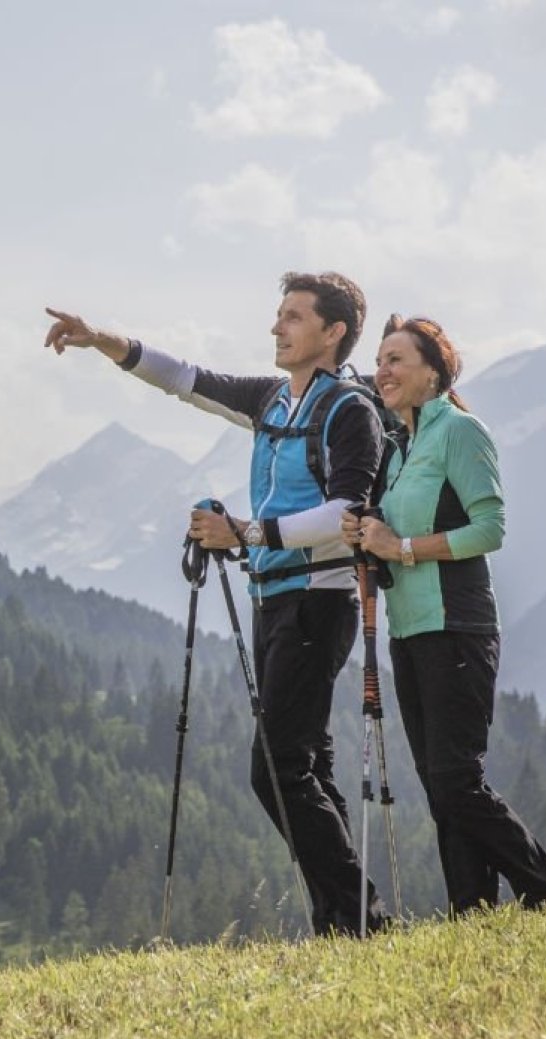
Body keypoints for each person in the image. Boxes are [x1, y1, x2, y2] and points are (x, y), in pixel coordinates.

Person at [44, 272, 388, 936]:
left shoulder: (351, 411)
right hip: (273, 595)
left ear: (333, 332)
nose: (276, 327)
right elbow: (185, 377)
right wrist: (99, 339)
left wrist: (247, 534)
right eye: (278, 314)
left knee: (275, 769)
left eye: (292, 316)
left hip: (321, 599)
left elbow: (349, 510)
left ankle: (360, 911)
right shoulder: (271, 400)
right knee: (307, 763)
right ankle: (345, 921)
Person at [341, 314, 546, 916]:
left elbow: (490, 529)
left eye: (397, 359)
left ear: (434, 371)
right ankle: (471, 911)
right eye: (381, 360)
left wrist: (398, 547)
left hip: (459, 626)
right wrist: (368, 536)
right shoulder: (398, 447)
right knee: (439, 784)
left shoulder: (460, 431)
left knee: (457, 778)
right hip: (409, 629)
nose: (383, 370)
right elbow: (393, 532)